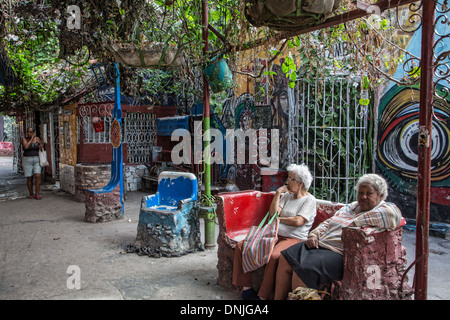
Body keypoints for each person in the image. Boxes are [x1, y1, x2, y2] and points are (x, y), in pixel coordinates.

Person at [274, 173, 403, 300]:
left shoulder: (384, 208)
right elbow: (328, 223)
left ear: (380, 196)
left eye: (369, 194)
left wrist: (356, 222)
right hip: (321, 244)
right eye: (360, 192)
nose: (363, 197)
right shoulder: (351, 207)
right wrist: (314, 235)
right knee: (285, 258)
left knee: (302, 271)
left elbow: (394, 216)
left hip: (338, 253)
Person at [232, 164, 317, 300]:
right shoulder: (287, 196)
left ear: (300, 183)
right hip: (274, 234)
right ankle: (246, 289)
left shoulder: (309, 200)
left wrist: (280, 219)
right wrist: (278, 193)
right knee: (241, 246)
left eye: (291, 179)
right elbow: (273, 214)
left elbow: (298, 221)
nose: (287, 182)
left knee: (274, 256)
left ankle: (263, 297)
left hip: (293, 238)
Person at [21, 127, 43, 200]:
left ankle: (37, 193)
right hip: (27, 160)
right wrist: (31, 139)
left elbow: (41, 148)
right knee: (29, 177)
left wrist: (40, 146)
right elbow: (26, 147)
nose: (29, 133)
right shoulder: (24, 139)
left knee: (37, 175)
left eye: (31, 132)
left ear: (34, 132)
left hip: (36, 159)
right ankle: (31, 193)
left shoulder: (37, 139)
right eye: (28, 132)